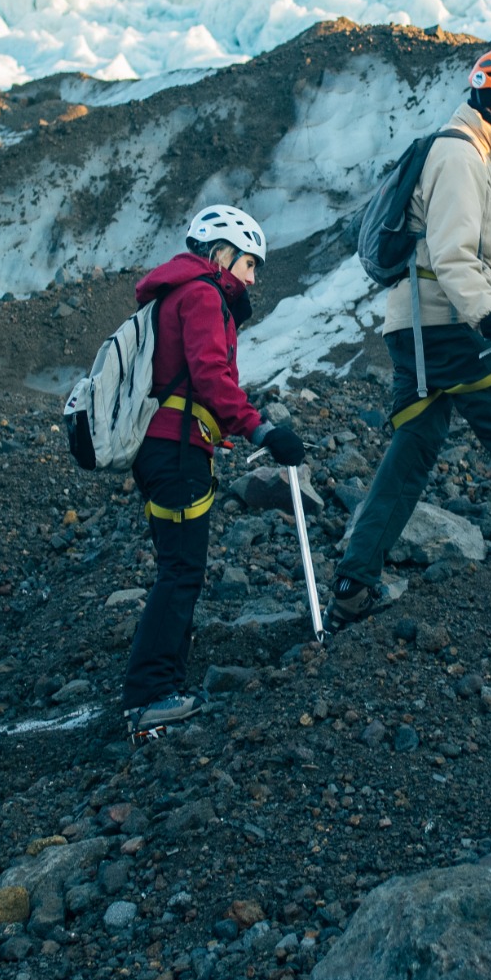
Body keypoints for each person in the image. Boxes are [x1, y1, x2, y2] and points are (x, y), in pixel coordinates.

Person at [332, 49, 491, 619]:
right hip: (446, 328)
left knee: (413, 451)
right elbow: (452, 256)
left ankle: (353, 584)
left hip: (416, 327)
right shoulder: (460, 157)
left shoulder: (466, 154)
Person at [120, 205, 306, 736]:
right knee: (181, 572)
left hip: (162, 448)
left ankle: (164, 689)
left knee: (178, 569)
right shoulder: (202, 294)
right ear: (221, 253)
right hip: (177, 448)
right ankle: (148, 697)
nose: (252, 278)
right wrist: (260, 429)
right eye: (249, 264)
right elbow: (210, 375)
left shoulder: (174, 293)